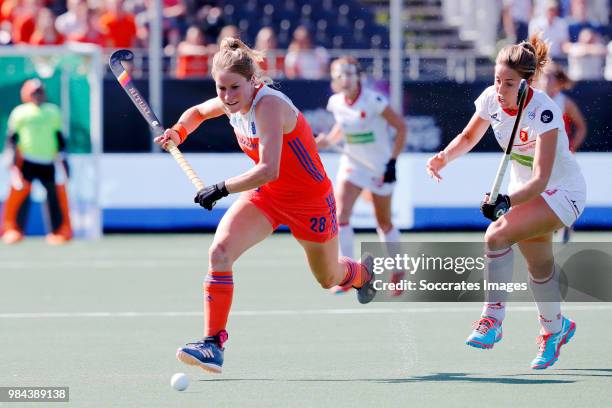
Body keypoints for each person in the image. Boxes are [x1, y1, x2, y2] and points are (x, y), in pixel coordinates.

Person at [153, 37, 376, 374]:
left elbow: (268, 168)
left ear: (252, 81)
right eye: (221, 88)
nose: (227, 97)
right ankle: (213, 343)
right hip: (267, 197)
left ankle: (361, 273)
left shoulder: (269, 105)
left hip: (309, 202)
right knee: (220, 252)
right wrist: (179, 132)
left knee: (328, 277)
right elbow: (198, 112)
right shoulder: (230, 103)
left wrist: (221, 188)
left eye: (234, 88)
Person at [426, 35, 586, 369]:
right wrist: (443, 158)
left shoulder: (544, 112)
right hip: (523, 190)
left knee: (496, 235)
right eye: (497, 80)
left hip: (561, 192)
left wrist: (505, 202)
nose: (500, 89)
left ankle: (492, 320)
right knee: (539, 267)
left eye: (509, 83)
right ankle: (555, 331)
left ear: (527, 83)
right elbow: (469, 136)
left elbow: (542, 178)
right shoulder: (491, 100)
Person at [316, 56, 407, 294]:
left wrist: (392, 162)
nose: (345, 79)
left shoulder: (373, 101)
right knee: (340, 215)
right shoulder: (335, 103)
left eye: (349, 74)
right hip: (353, 166)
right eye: (339, 75)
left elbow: (401, 127)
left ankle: (398, 271)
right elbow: (340, 129)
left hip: (379, 167)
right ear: (334, 81)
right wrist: (327, 140)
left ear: (358, 77)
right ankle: (348, 274)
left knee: (383, 222)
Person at [1, 79, 72, 245]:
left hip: (48, 162)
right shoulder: (20, 112)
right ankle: (14, 230)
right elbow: (12, 138)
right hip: (27, 161)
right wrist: (11, 159)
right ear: (26, 94)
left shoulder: (53, 111)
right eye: (34, 92)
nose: (37, 95)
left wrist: (64, 160)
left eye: (40, 92)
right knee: (20, 197)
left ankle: (58, 231)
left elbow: (59, 137)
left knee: (53, 197)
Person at [538, 61, 587, 244]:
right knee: (541, 187)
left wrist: (572, 147)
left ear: (558, 82)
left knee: (563, 189)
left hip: (562, 156)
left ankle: (566, 227)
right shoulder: (536, 100)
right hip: (541, 154)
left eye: (550, 78)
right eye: (544, 77)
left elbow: (581, 127)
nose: (546, 81)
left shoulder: (564, 102)